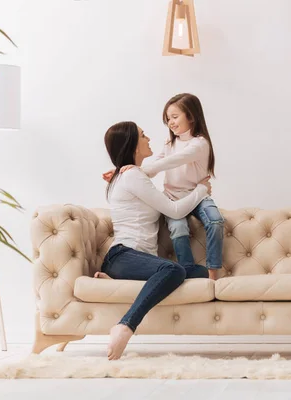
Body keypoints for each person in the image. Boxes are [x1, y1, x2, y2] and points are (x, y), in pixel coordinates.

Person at [99, 120, 211, 360]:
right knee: (173, 270)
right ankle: (125, 326)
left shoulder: (132, 175)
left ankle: (119, 278)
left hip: (136, 260)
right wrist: (201, 190)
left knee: (199, 272)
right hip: (122, 255)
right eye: (142, 135)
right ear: (132, 144)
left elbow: (163, 195)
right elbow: (174, 210)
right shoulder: (132, 177)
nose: (148, 138)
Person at [104, 93, 224, 280]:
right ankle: (186, 268)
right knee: (178, 228)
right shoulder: (170, 143)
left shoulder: (199, 144)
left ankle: (213, 271)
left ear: (191, 116)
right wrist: (123, 171)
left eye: (175, 117)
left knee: (215, 221)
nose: (170, 123)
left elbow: (172, 161)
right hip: (173, 197)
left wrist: (133, 170)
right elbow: (157, 165)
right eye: (168, 119)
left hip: (198, 196)